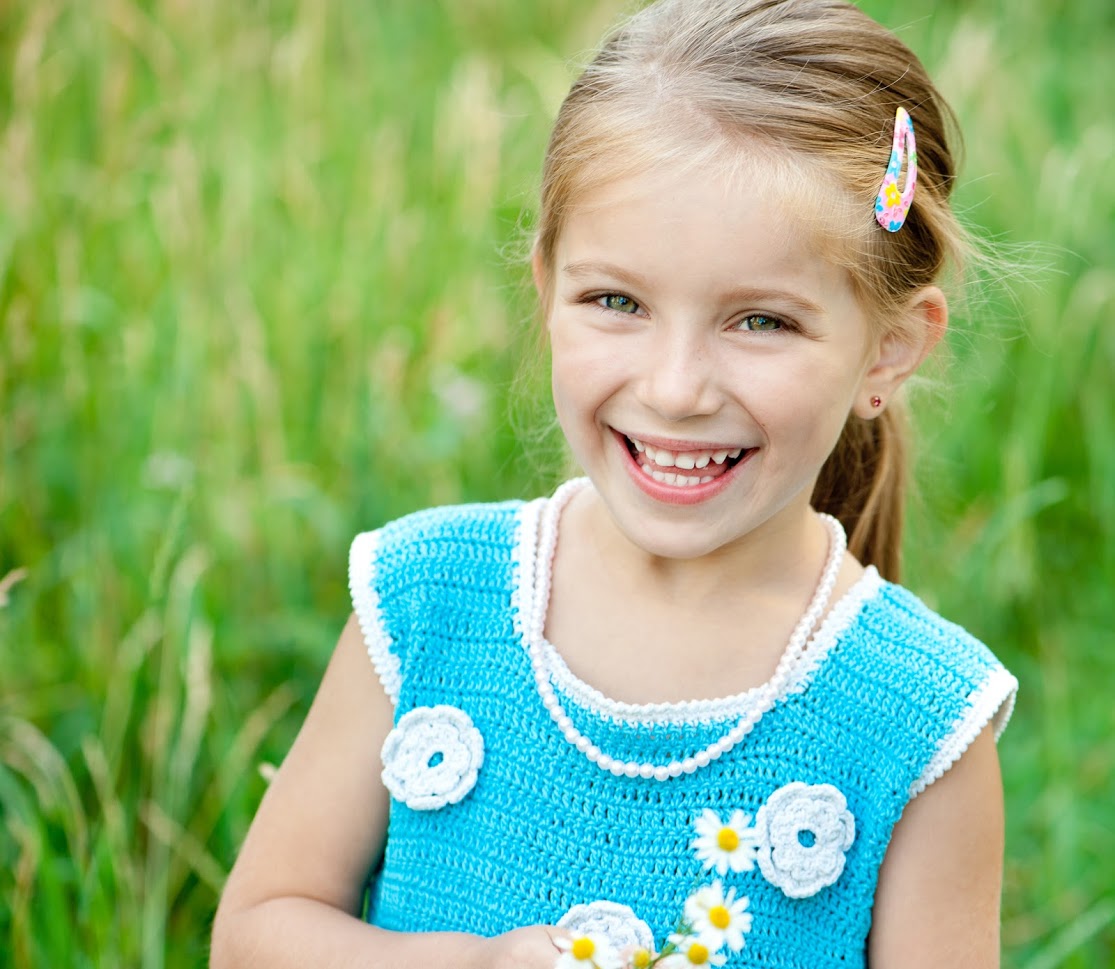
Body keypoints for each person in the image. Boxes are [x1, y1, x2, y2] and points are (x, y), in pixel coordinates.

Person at [210, 1, 1018, 967]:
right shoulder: (426, 597)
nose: (674, 388)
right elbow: (256, 932)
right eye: (617, 301)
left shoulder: (920, 718)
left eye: (760, 320)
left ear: (888, 349)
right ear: (547, 288)